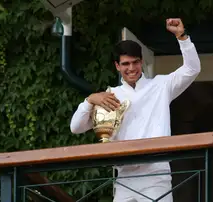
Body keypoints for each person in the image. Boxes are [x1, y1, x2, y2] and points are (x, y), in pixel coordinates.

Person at [70, 18, 201, 202]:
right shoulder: (109, 95)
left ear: (141, 62)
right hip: (124, 177)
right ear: (117, 66)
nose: (131, 68)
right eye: (125, 64)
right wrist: (90, 100)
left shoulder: (160, 85)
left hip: (156, 175)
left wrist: (182, 36)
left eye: (135, 62)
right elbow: (75, 127)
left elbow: (192, 69)